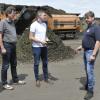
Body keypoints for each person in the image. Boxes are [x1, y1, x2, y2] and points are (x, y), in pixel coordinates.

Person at [0, 6, 26, 90]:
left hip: (13, 45)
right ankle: (4, 83)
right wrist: (2, 47)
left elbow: (19, 18)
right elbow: (0, 35)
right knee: (5, 65)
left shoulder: (12, 21)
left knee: (14, 64)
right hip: (6, 45)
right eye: (13, 13)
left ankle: (15, 80)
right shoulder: (3, 22)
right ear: (8, 13)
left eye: (15, 13)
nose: (15, 14)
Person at [76, 11, 100, 100]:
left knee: (90, 71)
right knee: (87, 69)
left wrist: (93, 54)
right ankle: (88, 84)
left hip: (91, 52)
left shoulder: (96, 27)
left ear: (93, 17)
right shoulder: (88, 27)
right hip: (86, 51)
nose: (86, 20)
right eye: (85, 18)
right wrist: (81, 46)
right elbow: (88, 40)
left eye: (88, 18)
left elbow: (98, 42)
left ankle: (90, 91)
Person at [29, 9, 49, 87]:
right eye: (44, 15)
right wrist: (41, 41)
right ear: (39, 16)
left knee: (45, 63)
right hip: (36, 47)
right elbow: (30, 37)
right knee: (36, 63)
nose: (45, 16)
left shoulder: (44, 24)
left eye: (45, 15)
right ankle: (37, 79)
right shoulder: (33, 25)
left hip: (44, 47)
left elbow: (45, 35)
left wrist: (47, 39)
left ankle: (46, 77)